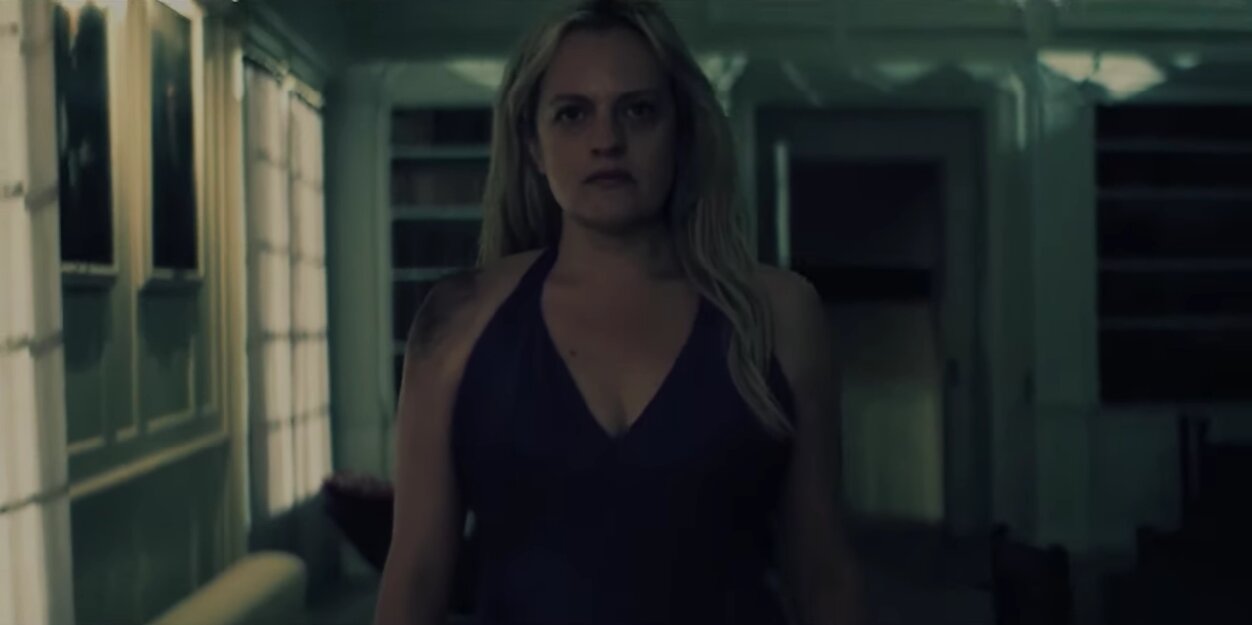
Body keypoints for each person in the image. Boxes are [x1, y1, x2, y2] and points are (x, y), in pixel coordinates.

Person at [374, 1, 862, 623]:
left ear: (680, 131)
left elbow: (823, 576)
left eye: (638, 110)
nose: (606, 142)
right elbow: (415, 579)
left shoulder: (779, 315)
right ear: (533, 144)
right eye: (573, 113)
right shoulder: (460, 321)